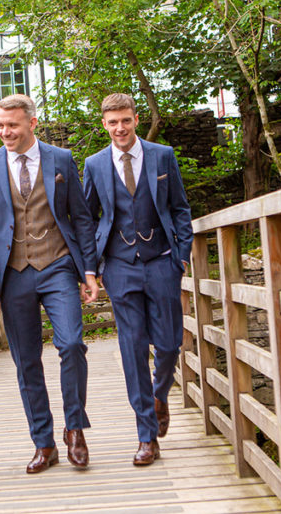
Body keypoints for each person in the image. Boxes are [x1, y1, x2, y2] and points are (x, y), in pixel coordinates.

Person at [0, 94, 99, 473]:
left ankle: (74, 428)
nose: (5, 132)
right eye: (0, 125)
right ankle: (43, 443)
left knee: (72, 343)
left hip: (58, 264)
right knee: (27, 361)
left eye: (12, 125)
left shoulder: (60, 159)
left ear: (32, 123)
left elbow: (81, 217)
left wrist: (88, 270)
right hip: (11, 274)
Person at [82, 93, 193, 466]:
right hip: (119, 265)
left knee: (169, 344)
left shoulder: (162, 156)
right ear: (104, 124)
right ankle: (146, 436)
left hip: (162, 260)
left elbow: (179, 208)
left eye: (125, 121)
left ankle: (160, 395)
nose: (120, 128)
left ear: (135, 119)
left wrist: (182, 255)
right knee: (133, 349)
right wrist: (91, 268)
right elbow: (88, 220)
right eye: (112, 122)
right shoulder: (95, 165)